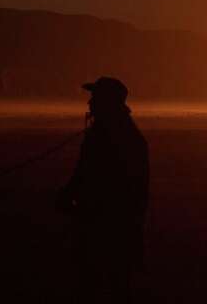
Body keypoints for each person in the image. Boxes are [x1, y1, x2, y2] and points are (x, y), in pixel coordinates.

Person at [57, 76, 150, 299]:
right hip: (107, 219)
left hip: (108, 221)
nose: (90, 103)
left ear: (108, 103)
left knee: (104, 279)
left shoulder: (115, 136)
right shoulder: (109, 132)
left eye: (95, 98)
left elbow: (92, 174)